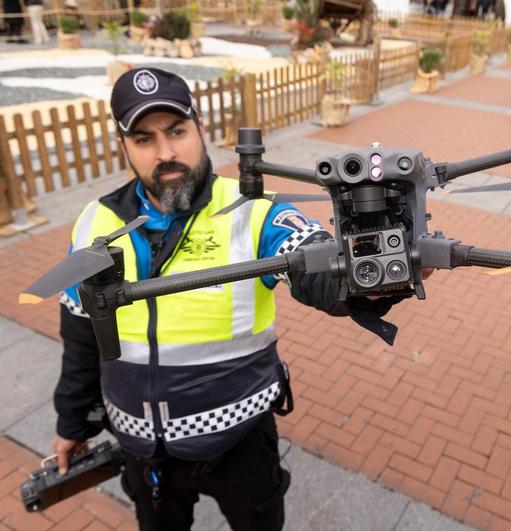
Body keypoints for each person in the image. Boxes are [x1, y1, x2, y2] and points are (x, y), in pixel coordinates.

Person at [52, 67, 403, 531]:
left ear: (200, 128)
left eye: (177, 131)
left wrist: (364, 276)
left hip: (240, 443)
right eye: (143, 139)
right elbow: (79, 336)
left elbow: (311, 255)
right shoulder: (92, 222)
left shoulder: (252, 208)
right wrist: (73, 424)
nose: (166, 153)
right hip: (141, 449)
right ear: (124, 147)